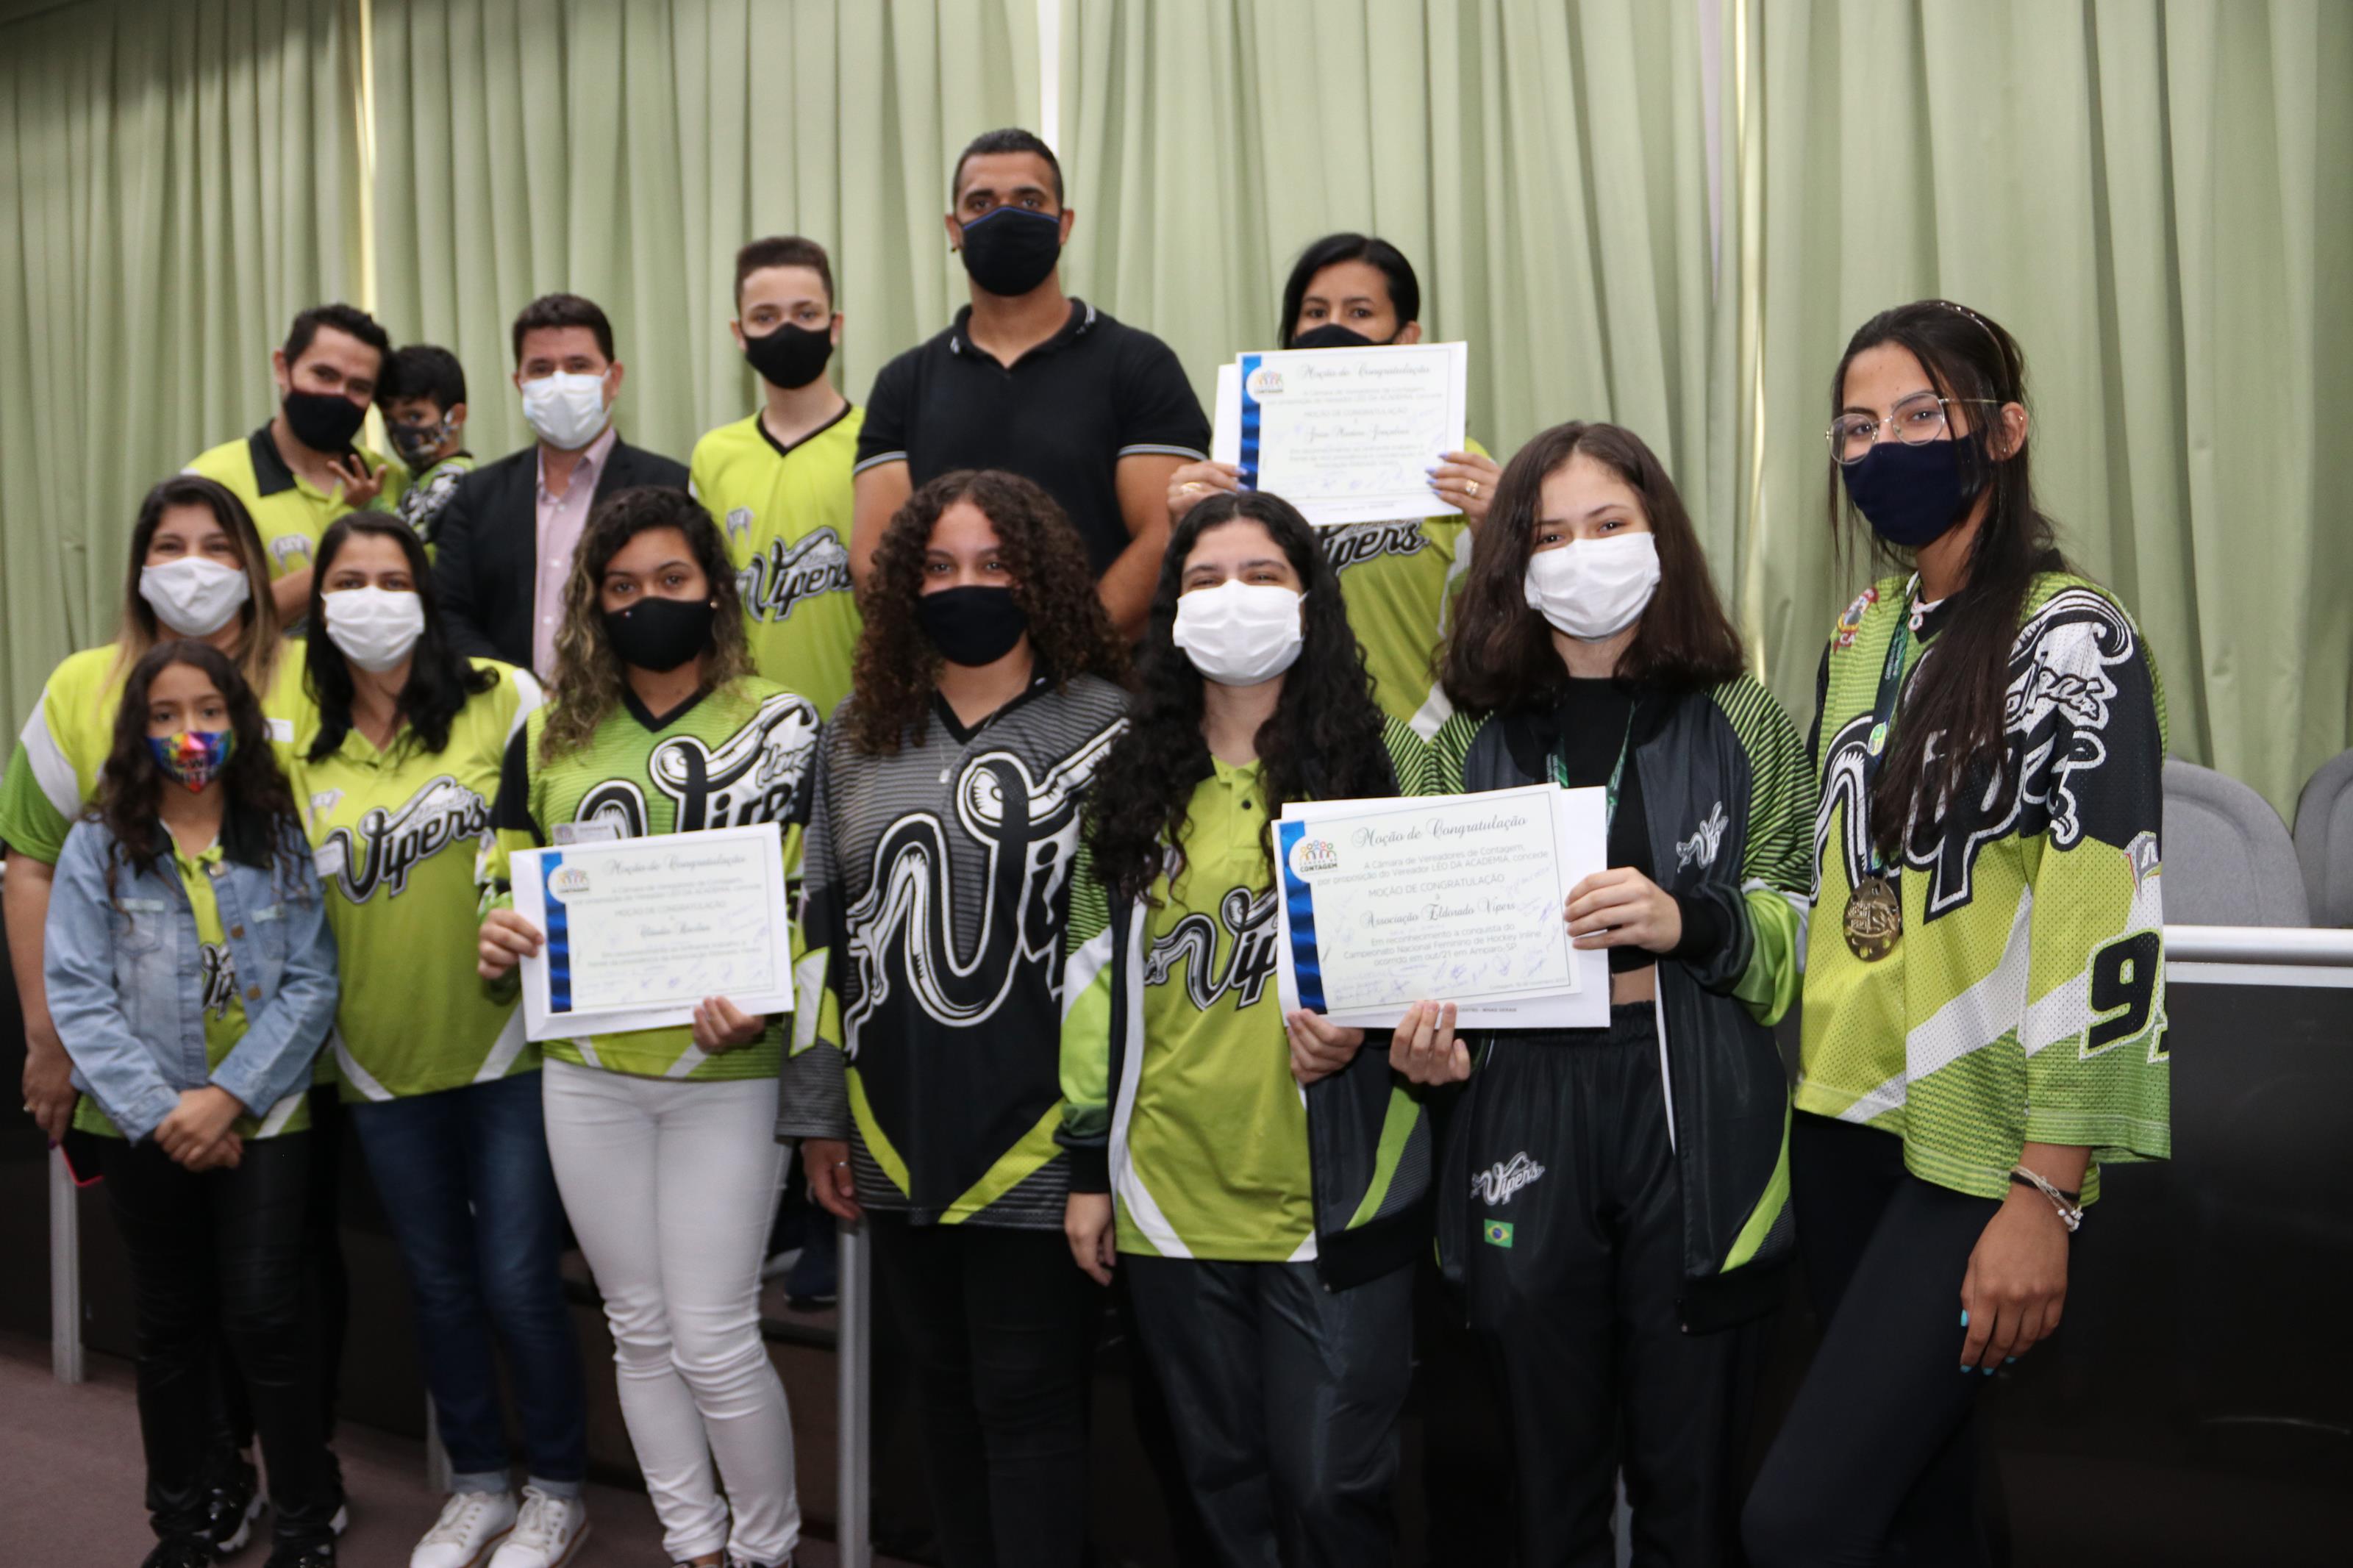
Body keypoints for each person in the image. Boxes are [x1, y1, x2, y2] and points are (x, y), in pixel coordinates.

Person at [1741, 301, 2171, 1567]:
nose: (1884, 447)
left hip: (1978, 1143)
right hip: (1842, 1122)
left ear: (2004, 429)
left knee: (1799, 1520)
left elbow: (2104, 923)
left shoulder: (2073, 638)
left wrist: (2048, 1191)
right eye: (1856, 427)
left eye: (1921, 415)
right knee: (1921, 1510)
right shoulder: (1861, 631)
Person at [1390, 421, 1813, 1563]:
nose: (1581, 554)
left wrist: (1693, 920)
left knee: (1692, 1489)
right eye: (1549, 534)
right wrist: (1425, 1043)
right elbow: (1415, 932)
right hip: (1519, 1102)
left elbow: (1799, 933)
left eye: (1608, 524)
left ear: (1659, 535)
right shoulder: (1461, 734)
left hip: (1695, 1108)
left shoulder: (1744, 717)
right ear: (1512, 561)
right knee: (1545, 1486)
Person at [1060, 490, 1435, 1564]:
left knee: (1331, 1485)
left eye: (1263, 575)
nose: (1234, 598)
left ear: (1311, 598)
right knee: (1221, 1493)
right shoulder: (1124, 785)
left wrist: (1366, 1028)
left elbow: (1441, 961)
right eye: (1205, 579)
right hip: (1171, 1195)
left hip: (1342, 1192)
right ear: (1172, 611)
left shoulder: (1389, 769)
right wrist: (1087, 1167)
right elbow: (1089, 991)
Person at [779, 470, 1131, 1568]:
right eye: (938, 566)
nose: (964, 585)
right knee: (940, 1389)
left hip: (1045, 1130)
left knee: (1029, 1401)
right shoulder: (853, 735)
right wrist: (818, 1114)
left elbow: (1122, 954)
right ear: (903, 586)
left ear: (1042, 578)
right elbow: (818, 929)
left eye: (993, 563)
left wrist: (1098, 1149)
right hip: (896, 1126)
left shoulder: (1110, 726)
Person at [477, 485, 818, 1568]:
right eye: (620, 587)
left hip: (729, 1072)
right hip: (587, 1071)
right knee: (637, 1327)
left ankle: (765, 1551)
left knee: (713, 1334)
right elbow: (502, 876)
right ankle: (695, 1546)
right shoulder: (550, 732)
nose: (645, 603)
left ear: (713, 588)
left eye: (671, 579)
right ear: (592, 601)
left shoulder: (784, 723)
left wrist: (770, 990)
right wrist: (500, 932)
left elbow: (814, 898)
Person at [290, 515, 591, 1568]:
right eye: (348, 580)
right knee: (438, 1285)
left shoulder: (503, 697)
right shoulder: (299, 745)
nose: (371, 599)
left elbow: (572, 831)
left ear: (425, 595)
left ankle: (557, 1490)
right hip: (376, 1058)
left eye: (393, 578)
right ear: (318, 606)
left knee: (516, 1279)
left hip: (506, 1048)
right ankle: (477, 1485)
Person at [43, 640, 343, 1568]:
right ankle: (183, 1525)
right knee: (170, 1327)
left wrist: (228, 1098)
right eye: (165, 715)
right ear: (136, 731)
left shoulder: (278, 834)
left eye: (209, 711)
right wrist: (165, 1110)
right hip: (141, 1123)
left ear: (238, 720)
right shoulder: (98, 844)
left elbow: (312, 982)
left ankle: (306, 1517)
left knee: (265, 1317)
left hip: (267, 1114)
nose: (190, 732)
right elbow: (77, 992)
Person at [849, 128, 1210, 640]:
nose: (1006, 215)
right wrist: (960, 667)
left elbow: (1164, 536)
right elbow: (874, 557)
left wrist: (1070, 656)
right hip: (950, 676)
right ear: (954, 229)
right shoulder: (902, 383)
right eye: (981, 203)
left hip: (1109, 675)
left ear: (1064, 224)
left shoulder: (1140, 365)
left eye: (1029, 201)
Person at [1160, 234, 1502, 736]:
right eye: (1315, 313)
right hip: (1273, 741)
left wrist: (1502, 530)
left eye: (1360, 312)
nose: (1332, 328)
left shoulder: (1459, 467)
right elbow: (1191, 625)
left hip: (1414, 741)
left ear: (1406, 337)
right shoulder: (1242, 464)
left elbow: (1504, 627)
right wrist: (1183, 533)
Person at [432, 293, 690, 676]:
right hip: (508, 707)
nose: (560, 382)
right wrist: (518, 693)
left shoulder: (671, 488)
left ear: (614, 379)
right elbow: (448, 613)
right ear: (519, 384)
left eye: (578, 366)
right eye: (541, 369)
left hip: (631, 708)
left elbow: (683, 615)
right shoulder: (476, 496)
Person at [690, 235, 863, 723]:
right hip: (744, 729)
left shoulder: (881, 446)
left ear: (834, 326)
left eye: (806, 314)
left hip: (862, 729)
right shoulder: (713, 456)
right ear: (739, 333)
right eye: (765, 317)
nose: (787, 330)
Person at [187, 303, 406, 626]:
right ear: (282, 368)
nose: (338, 395)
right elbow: (201, 620)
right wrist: (346, 559)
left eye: (359, 387)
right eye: (324, 375)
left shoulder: (392, 480)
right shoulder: (209, 482)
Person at [379, 344, 476, 553]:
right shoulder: (409, 478)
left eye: (414, 416)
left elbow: (407, 550)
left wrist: (370, 504)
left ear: (456, 417)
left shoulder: (455, 480)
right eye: (389, 420)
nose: (401, 430)